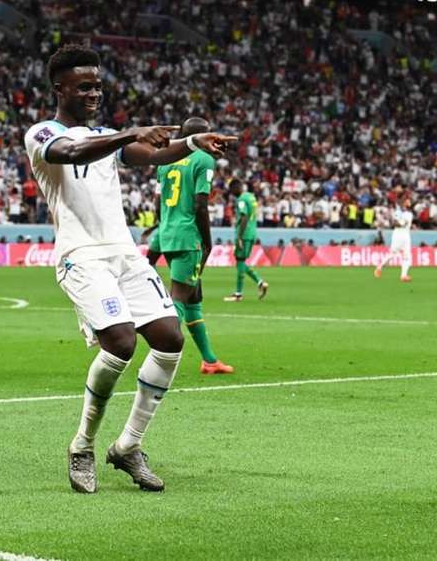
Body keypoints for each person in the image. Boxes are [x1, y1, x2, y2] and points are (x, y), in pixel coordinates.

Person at [23, 44, 236, 494]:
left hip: (122, 254)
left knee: (169, 338)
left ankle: (128, 447)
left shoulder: (106, 133)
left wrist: (193, 143)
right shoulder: (41, 133)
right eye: (84, 86)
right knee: (119, 342)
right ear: (59, 87)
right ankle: (82, 445)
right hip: (80, 255)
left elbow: (153, 154)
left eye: (98, 85)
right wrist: (127, 134)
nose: (94, 93)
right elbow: (71, 153)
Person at [150, 116, 234, 375]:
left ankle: (209, 360)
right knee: (179, 297)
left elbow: (157, 201)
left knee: (193, 299)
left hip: (166, 234)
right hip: (189, 237)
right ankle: (159, 359)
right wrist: (207, 241)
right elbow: (200, 204)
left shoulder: (166, 159)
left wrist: (161, 230)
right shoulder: (204, 159)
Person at [224, 179, 268, 302]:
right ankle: (260, 282)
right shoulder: (251, 197)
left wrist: (239, 237)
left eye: (232, 190)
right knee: (241, 262)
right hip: (252, 232)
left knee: (240, 261)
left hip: (244, 234)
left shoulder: (242, 199)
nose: (231, 193)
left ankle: (238, 294)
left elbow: (244, 217)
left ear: (236, 188)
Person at [374, 200, 413, 282]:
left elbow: (401, 223)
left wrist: (398, 222)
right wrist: (398, 222)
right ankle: (379, 268)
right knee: (394, 254)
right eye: (407, 203)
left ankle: (403, 276)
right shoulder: (400, 213)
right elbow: (395, 223)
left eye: (408, 203)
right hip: (400, 235)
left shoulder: (407, 214)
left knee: (405, 256)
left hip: (403, 235)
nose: (407, 205)